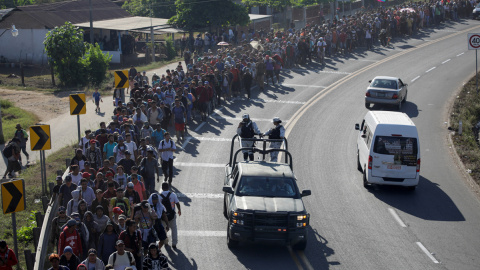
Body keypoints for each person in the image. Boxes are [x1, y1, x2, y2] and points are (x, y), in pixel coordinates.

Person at [160, 182, 181, 249]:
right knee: (174, 229)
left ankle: (166, 242)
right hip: (172, 215)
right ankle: (174, 243)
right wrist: (179, 210)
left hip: (163, 216)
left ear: (162, 188)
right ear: (168, 187)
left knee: (164, 229)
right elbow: (177, 203)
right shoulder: (173, 194)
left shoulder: (159, 196)